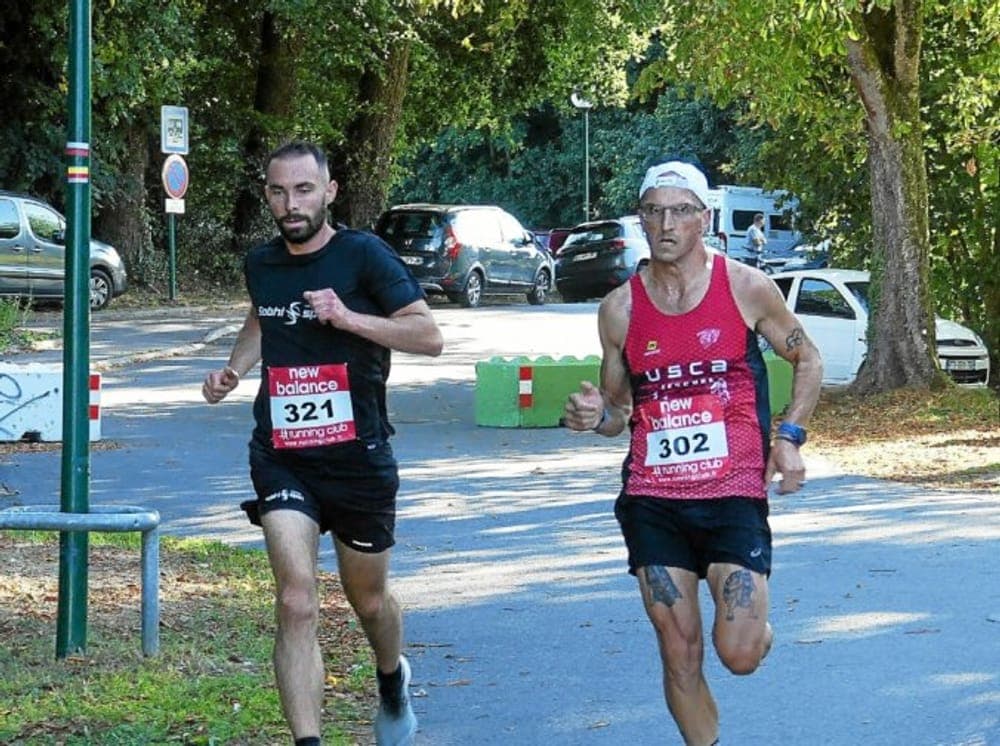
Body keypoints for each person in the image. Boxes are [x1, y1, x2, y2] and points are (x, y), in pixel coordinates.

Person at [563, 161, 822, 745]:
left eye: (680, 210)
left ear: (703, 219)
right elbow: (617, 412)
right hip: (653, 499)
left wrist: (789, 437)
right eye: (653, 210)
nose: (666, 223)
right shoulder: (620, 309)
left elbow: (808, 358)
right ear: (641, 219)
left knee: (739, 654)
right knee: (678, 649)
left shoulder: (744, 286)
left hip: (732, 494)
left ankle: (757, 631)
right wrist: (590, 417)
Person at [202, 141, 443, 746]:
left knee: (368, 602)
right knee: (296, 601)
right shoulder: (262, 262)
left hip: (358, 458)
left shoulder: (364, 255)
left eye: (304, 190)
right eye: (279, 192)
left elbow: (428, 335)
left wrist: (349, 318)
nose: (292, 204)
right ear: (267, 196)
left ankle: (391, 678)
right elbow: (263, 316)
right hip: (283, 454)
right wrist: (233, 370)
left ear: (329, 192)